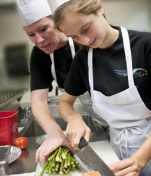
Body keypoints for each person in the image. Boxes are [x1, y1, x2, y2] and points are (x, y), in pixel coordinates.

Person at [53, 0, 151, 175]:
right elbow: (65, 103)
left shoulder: (147, 45)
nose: (85, 40)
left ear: (99, 8)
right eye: (74, 37)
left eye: (85, 29)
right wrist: (73, 117)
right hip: (119, 153)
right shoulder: (83, 60)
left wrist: (138, 160)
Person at [15, 0, 107, 167]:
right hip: (99, 120)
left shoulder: (86, 41)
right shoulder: (40, 55)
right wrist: (56, 134)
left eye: (43, 29)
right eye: (31, 34)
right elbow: (38, 101)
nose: (39, 40)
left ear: (57, 22)